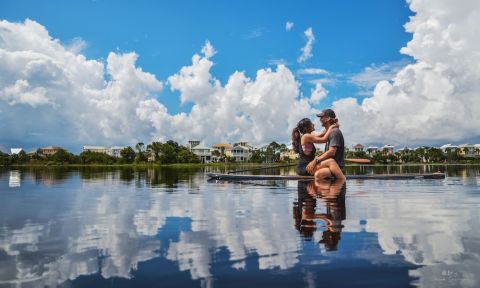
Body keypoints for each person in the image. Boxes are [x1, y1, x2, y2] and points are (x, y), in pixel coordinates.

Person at [306, 109, 346, 181]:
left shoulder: (334, 132)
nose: (320, 119)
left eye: (322, 117)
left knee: (318, 174)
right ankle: (325, 191)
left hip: (336, 167)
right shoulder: (330, 131)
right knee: (313, 172)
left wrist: (316, 160)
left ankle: (334, 189)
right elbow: (320, 136)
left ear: (328, 119)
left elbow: (332, 152)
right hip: (329, 165)